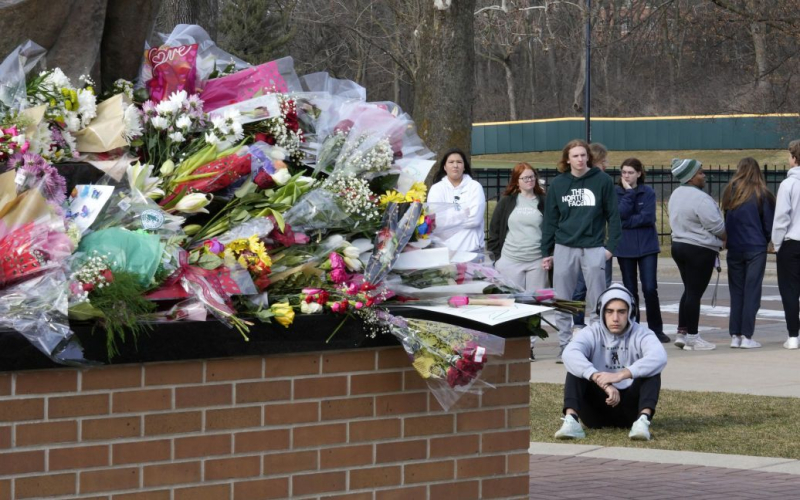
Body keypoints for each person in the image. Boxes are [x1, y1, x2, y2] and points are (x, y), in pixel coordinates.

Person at [541, 139, 621, 362]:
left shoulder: (602, 180)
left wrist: (610, 248)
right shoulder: (558, 184)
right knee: (563, 300)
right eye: (575, 156)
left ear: (589, 157)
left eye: (583, 155)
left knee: (597, 300)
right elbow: (550, 220)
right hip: (564, 246)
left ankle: (597, 345)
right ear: (567, 159)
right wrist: (546, 251)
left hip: (594, 246)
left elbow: (613, 215)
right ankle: (565, 346)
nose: (580, 159)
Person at [554, 284, 667, 441]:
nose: (615, 318)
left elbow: (659, 356)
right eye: (609, 311)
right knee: (576, 368)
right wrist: (600, 380)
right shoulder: (591, 332)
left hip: (630, 412)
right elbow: (569, 354)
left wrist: (620, 375)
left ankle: (642, 422)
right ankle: (571, 421)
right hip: (597, 412)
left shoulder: (642, 333)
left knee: (652, 370)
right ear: (601, 313)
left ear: (630, 313)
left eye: (621, 312)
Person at [668, 158, 726, 351]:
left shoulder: (676, 194)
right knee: (695, 292)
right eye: (700, 173)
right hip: (699, 249)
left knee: (689, 289)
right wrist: (726, 238)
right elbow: (715, 225)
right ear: (691, 177)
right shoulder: (700, 198)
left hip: (678, 245)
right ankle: (693, 336)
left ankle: (682, 332)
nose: (704, 175)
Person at [721, 158, 775, 349]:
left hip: (735, 247)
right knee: (752, 292)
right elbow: (768, 224)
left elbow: (726, 219)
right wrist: (767, 239)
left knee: (736, 292)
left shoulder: (730, 191)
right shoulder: (762, 193)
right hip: (755, 246)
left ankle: (735, 335)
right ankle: (747, 335)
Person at [615, 158, 669, 344]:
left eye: (630, 172)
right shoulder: (617, 192)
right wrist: (629, 194)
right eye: (624, 172)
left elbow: (648, 218)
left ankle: (656, 329)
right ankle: (632, 327)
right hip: (625, 247)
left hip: (647, 247)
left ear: (639, 173)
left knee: (649, 288)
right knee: (630, 290)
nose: (627, 176)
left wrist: (628, 222)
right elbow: (618, 215)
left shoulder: (648, 192)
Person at [571, 143, 613, 329]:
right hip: (581, 243)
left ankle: (599, 323)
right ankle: (578, 324)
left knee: (602, 286)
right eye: (603, 161)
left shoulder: (604, 182)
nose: (606, 165)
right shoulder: (580, 183)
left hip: (599, 243)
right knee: (579, 287)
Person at [488, 162, 548, 292]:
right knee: (513, 302)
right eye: (525, 178)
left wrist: (549, 255)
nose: (530, 180)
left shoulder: (544, 201)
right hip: (510, 259)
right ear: (516, 181)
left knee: (537, 303)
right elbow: (494, 231)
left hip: (537, 261)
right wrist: (497, 259)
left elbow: (552, 229)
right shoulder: (506, 201)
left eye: (532, 177)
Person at [428, 148, 486, 253]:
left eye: (459, 162)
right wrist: (464, 214)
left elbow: (475, 220)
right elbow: (436, 221)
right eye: (451, 162)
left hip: (471, 250)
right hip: (443, 251)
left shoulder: (475, 187)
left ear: (464, 167)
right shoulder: (436, 189)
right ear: (445, 167)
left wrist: (448, 216)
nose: (455, 165)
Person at [773, 140, 800, 350]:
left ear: (794, 158)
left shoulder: (788, 184)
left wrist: (776, 243)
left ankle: (793, 335)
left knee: (790, 290)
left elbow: (782, 217)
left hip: (792, 242)